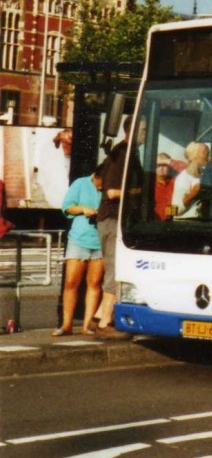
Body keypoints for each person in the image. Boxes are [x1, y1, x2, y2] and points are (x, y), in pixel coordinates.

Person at [94, 117, 138, 340]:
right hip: (112, 218)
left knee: (114, 265)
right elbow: (111, 191)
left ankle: (100, 313)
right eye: (144, 129)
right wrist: (139, 193)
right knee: (115, 267)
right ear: (133, 129)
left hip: (111, 219)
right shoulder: (123, 154)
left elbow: (96, 179)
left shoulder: (123, 152)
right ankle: (104, 322)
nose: (146, 134)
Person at [54, 170, 104, 337]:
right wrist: (83, 209)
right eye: (99, 184)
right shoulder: (80, 183)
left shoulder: (109, 186)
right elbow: (67, 206)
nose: (101, 187)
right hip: (79, 239)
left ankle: (87, 325)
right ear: (95, 176)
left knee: (95, 283)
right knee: (71, 282)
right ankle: (66, 325)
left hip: (100, 241)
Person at [172, 141, 210, 219]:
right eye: (206, 154)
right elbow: (175, 211)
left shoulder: (204, 176)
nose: (209, 157)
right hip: (185, 224)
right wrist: (193, 193)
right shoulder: (183, 178)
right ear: (194, 155)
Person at [153, 153, 177, 220]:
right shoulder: (149, 183)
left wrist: (169, 161)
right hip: (153, 223)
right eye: (158, 165)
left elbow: (188, 170)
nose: (161, 168)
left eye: (164, 165)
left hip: (170, 223)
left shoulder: (174, 182)